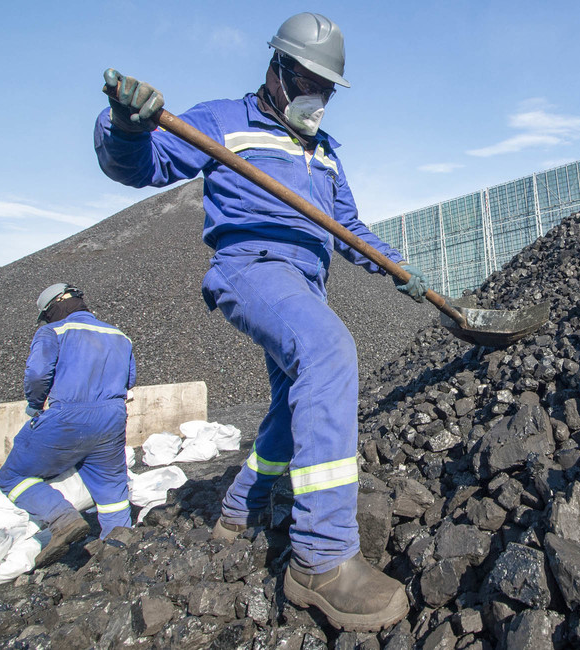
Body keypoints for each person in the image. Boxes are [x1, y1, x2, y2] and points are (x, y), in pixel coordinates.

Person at [93, 12, 422, 631]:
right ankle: (322, 560)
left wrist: (401, 269)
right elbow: (140, 166)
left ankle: (237, 510)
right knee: (328, 354)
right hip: (251, 265)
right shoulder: (223, 122)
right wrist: (125, 128)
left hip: (307, 281)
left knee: (289, 404)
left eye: (326, 89)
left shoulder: (323, 154)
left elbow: (348, 228)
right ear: (276, 68)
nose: (314, 97)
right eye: (306, 81)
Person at [0, 283, 136, 568]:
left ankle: (63, 518)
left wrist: (35, 406)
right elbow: (129, 380)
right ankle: (120, 554)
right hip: (112, 417)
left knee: (13, 476)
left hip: (68, 416)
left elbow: (37, 374)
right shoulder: (119, 335)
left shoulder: (52, 331)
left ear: (54, 308)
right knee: (111, 490)